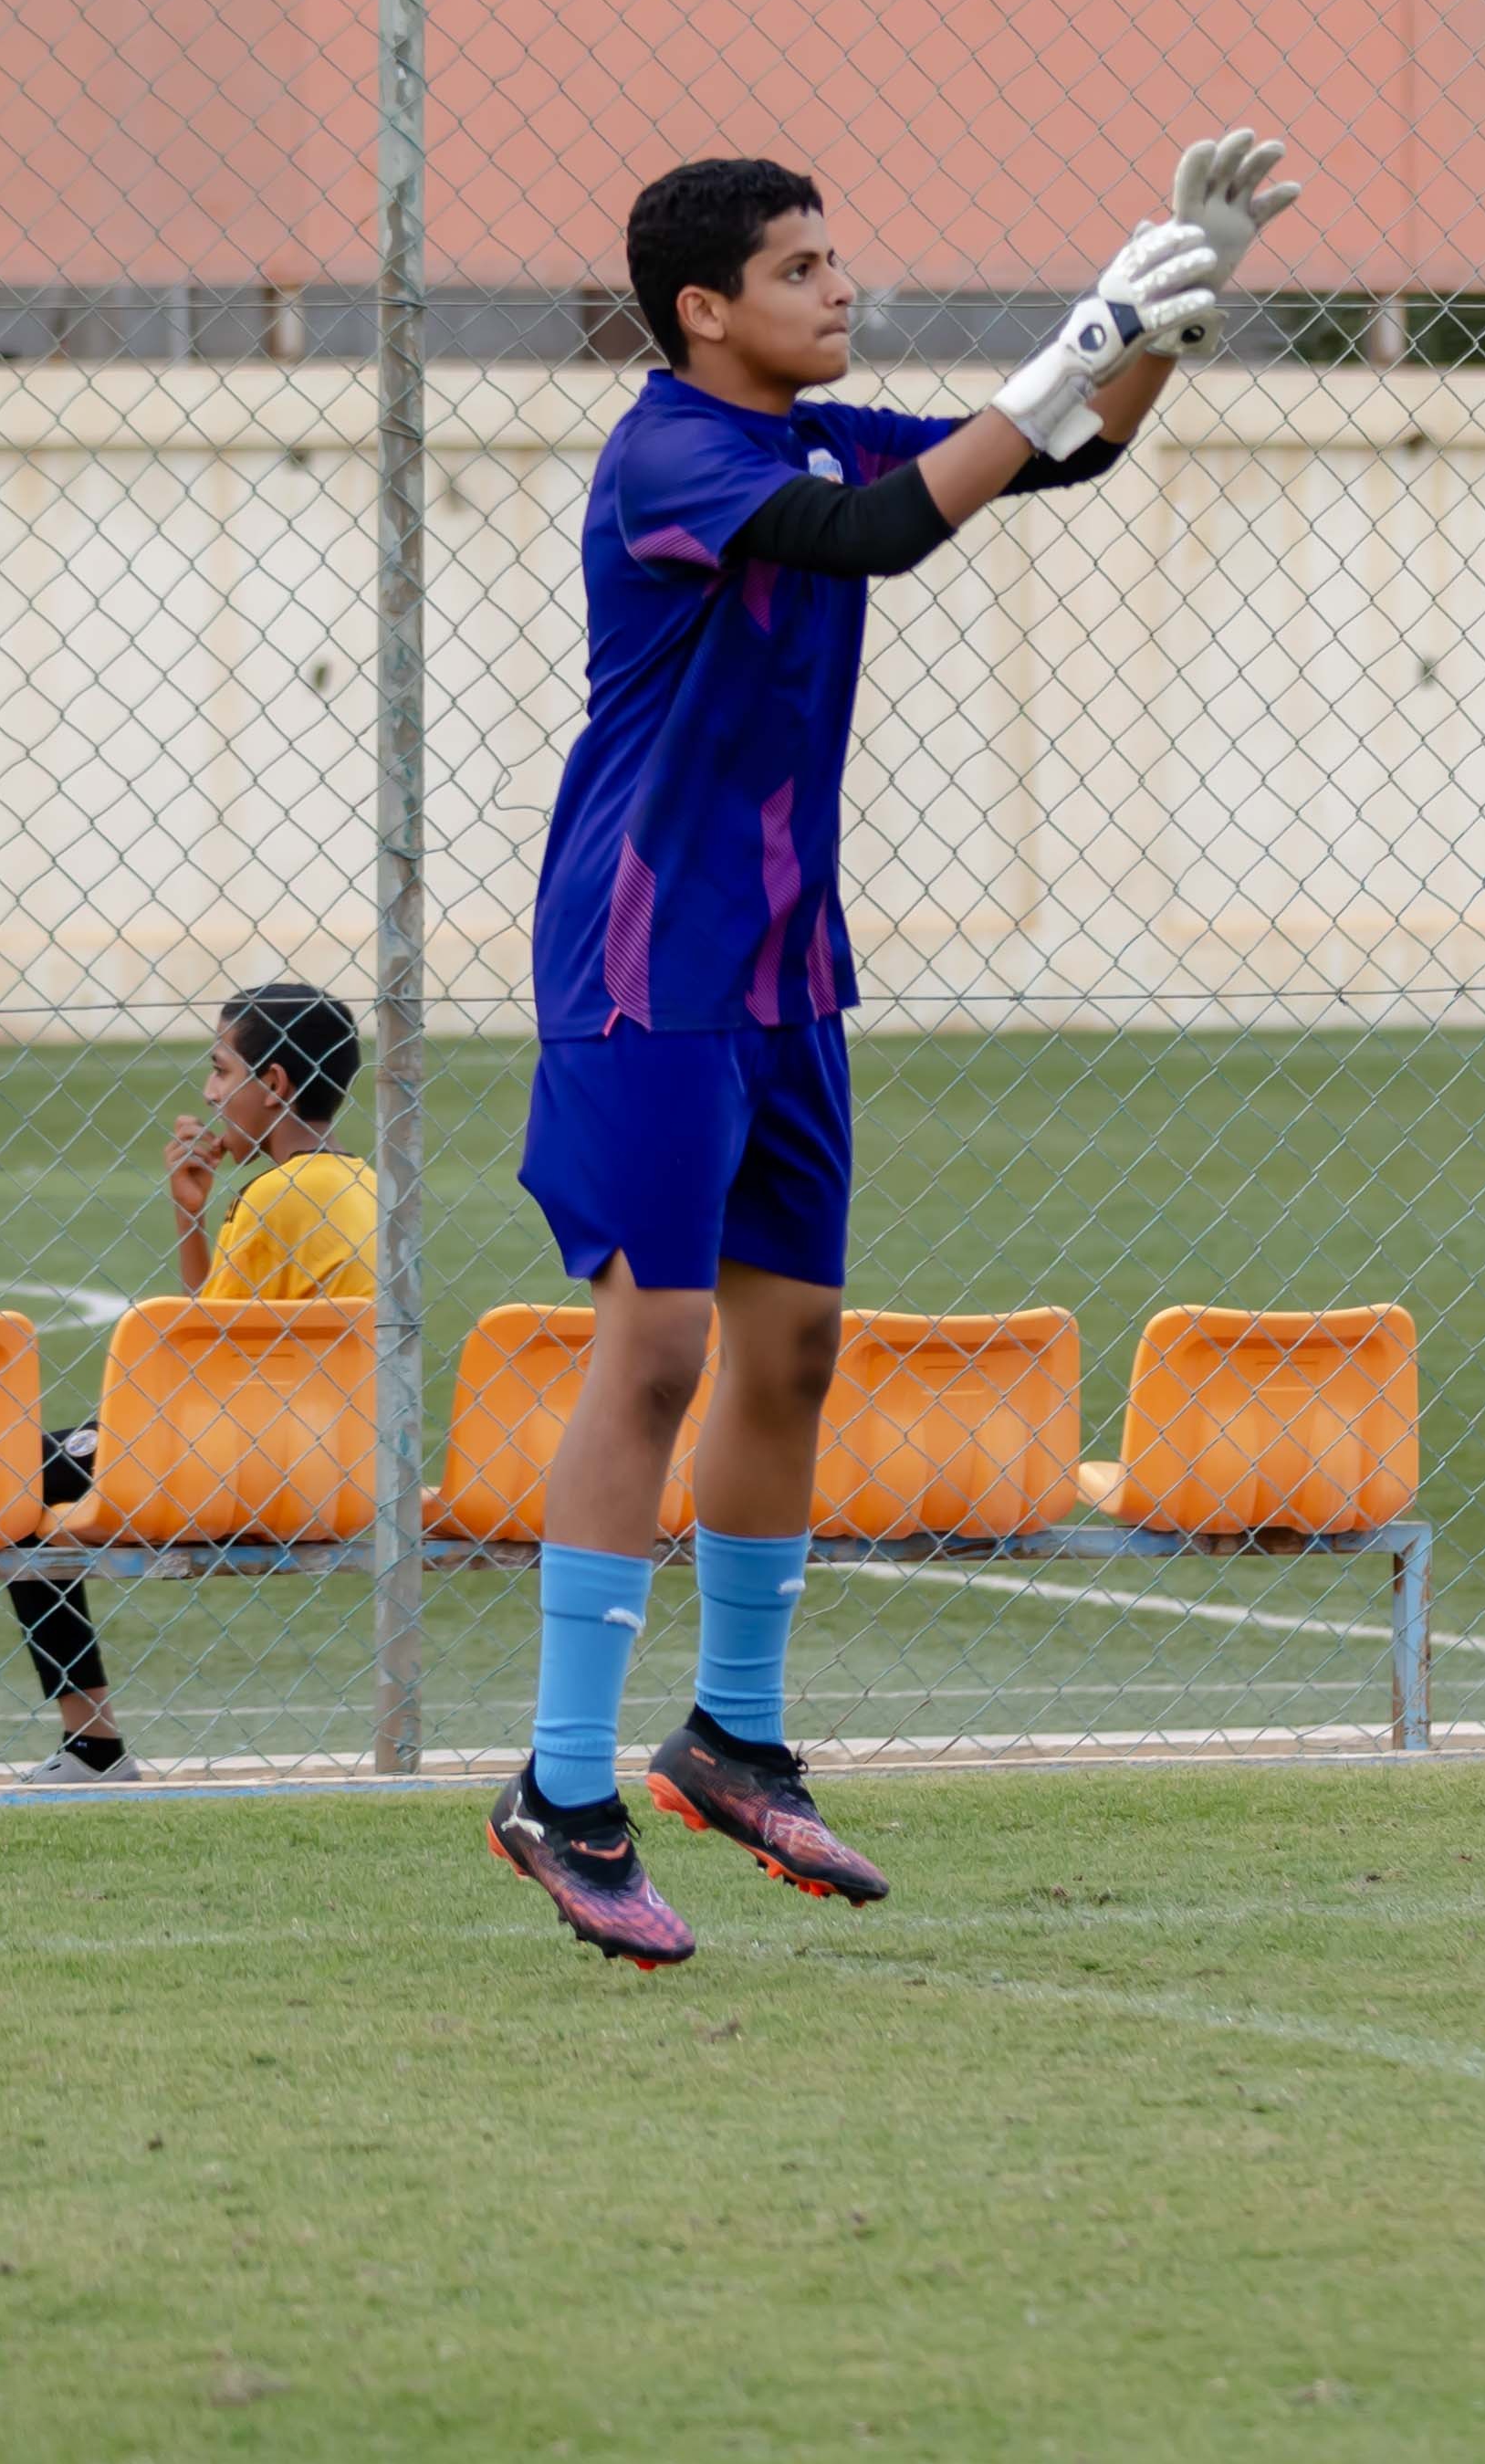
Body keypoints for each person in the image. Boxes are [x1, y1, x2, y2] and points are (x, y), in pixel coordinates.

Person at [489, 138, 1295, 1968]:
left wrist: (1169, 306)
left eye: (837, 258)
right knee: (660, 1348)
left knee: (793, 1352)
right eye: (799, 270)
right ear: (706, 312)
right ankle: (559, 1785)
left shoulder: (801, 435)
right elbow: (887, 534)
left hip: (784, 969)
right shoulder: (677, 455)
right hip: (644, 962)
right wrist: (1076, 329)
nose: (840, 290)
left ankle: (735, 1740)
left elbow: (1058, 452)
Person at [0, 980, 374, 1790]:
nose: (206, 1092)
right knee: (20, 1483)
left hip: (244, 1465)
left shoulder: (278, 1196)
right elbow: (228, 1333)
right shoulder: (360, 1183)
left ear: (273, 1084)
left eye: (219, 1068)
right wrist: (190, 1220)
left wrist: (120, 1434)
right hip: (321, 1455)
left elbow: (195, 1360)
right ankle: (89, 1747)